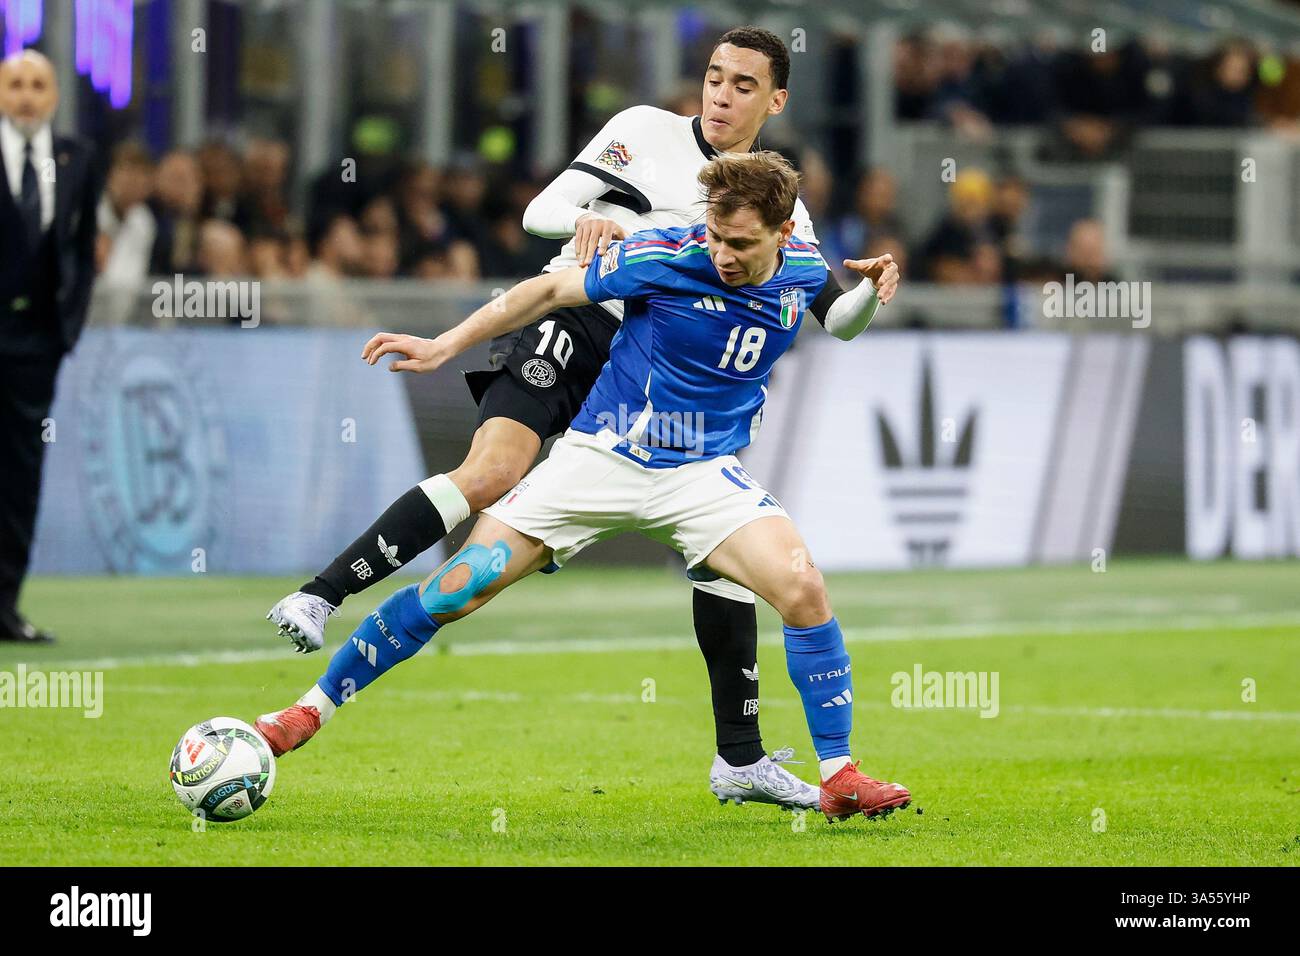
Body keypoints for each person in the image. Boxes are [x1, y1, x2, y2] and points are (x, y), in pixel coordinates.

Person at [265, 27, 870, 808]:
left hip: (692, 452)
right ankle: (316, 641)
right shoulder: (655, 163)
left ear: (775, 102)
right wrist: (457, 334)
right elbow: (544, 230)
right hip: (590, 340)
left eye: (743, 84)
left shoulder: (783, 225)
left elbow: (837, 312)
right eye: (714, 76)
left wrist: (871, 291)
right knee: (479, 514)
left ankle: (787, 766)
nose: (721, 93)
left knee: (785, 582)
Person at [0, 50, 101, 644]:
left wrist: (67, 329)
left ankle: (5, 607)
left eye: (38, 85)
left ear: (55, 95)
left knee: (21, 476)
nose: (27, 96)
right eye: (15, 85)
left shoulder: (78, 158)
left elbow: (83, 250)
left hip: (38, 344)